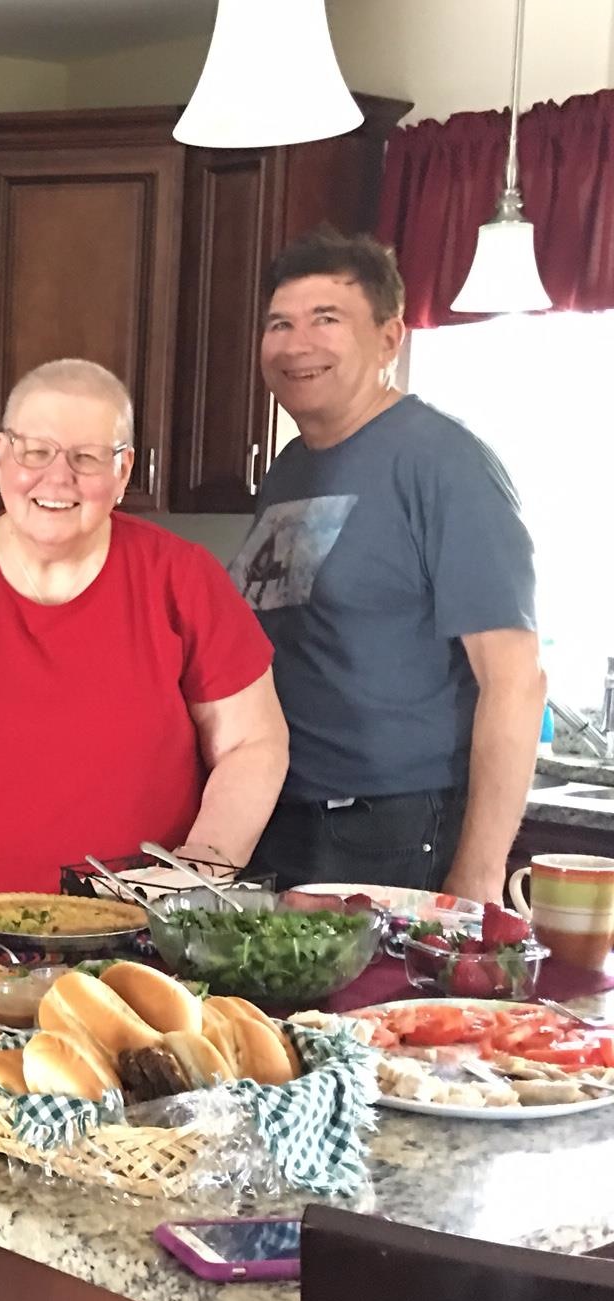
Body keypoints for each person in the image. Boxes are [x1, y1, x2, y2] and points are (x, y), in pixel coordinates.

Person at [0, 359, 287, 892]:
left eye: (86, 458)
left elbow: (254, 743)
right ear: (0, 458)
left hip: (142, 931)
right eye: (35, 452)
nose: (57, 478)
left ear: (123, 471)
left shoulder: (181, 576)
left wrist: (194, 878)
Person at [235, 229, 541, 899]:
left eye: (327, 320)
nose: (296, 343)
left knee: (384, 1007)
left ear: (390, 337)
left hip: (394, 823)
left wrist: (479, 880)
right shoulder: (289, 469)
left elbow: (516, 682)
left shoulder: (443, 464)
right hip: (280, 811)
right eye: (279, 323)